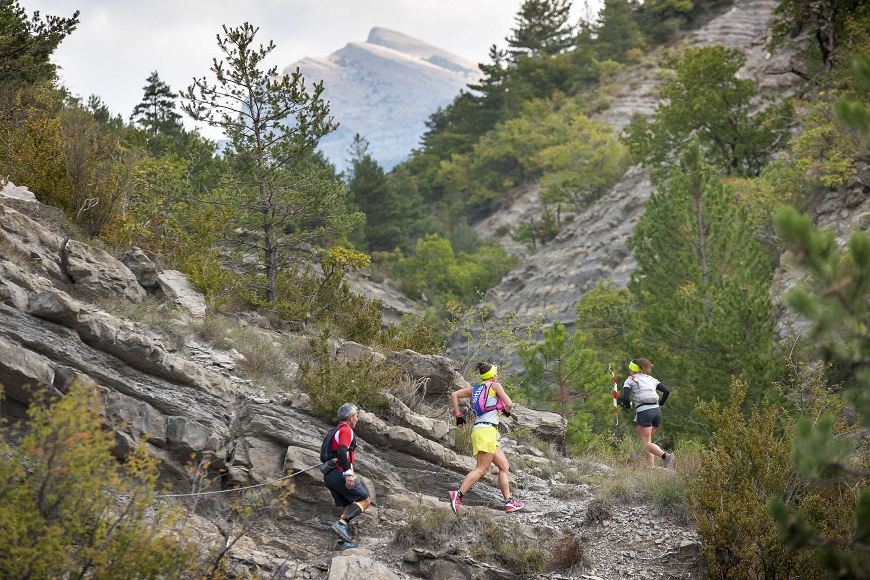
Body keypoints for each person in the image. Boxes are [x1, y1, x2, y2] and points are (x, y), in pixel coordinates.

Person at [448, 362, 525, 515]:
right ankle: (457, 495)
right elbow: (509, 403)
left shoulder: (475, 389)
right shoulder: (495, 386)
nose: (497, 376)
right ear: (492, 375)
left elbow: (454, 395)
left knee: (504, 466)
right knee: (482, 469)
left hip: (481, 430)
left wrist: (458, 417)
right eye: (496, 373)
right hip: (487, 431)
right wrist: (507, 412)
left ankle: (509, 503)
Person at [323, 403, 371, 549]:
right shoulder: (346, 430)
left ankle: (341, 542)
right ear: (350, 417)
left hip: (329, 475)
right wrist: (348, 473)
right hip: (339, 473)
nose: (357, 419)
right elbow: (342, 450)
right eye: (356, 416)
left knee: (349, 505)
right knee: (365, 500)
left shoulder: (335, 430)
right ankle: (341, 524)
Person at [620, 358, 674, 468]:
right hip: (656, 412)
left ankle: (666, 457)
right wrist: (661, 404)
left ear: (631, 370)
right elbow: (666, 391)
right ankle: (651, 468)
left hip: (645, 412)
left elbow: (625, 397)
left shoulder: (630, 380)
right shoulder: (651, 379)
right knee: (648, 443)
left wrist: (627, 406)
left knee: (645, 444)